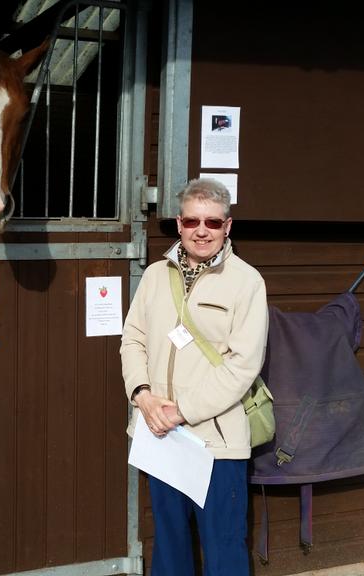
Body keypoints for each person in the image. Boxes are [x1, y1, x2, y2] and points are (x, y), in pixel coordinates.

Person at [120, 178, 268, 575]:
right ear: (179, 224)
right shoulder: (154, 276)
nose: (202, 230)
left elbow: (243, 364)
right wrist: (143, 396)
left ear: (228, 226)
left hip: (214, 441)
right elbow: (132, 338)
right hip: (161, 435)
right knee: (169, 547)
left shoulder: (247, 282)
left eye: (213, 222)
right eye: (192, 221)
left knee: (223, 548)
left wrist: (182, 410)